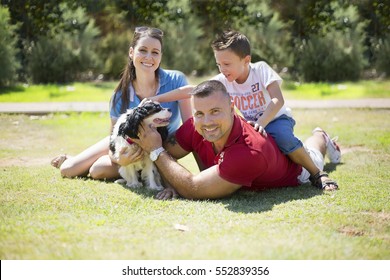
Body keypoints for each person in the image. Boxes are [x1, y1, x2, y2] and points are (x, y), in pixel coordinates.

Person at [132, 80, 339, 200]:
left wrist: (156, 151)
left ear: (232, 109)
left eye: (215, 111)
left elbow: (193, 188)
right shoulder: (195, 125)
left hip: (295, 171)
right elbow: (168, 154)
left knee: (313, 150)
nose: (207, 122)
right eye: (200, 113)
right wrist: (170, 183)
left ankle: (321, 135)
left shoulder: (249, 152)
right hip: (265, 155)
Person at [50, 26, 192, 180]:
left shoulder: (176, 80)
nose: (149, 57)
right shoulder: (120, 95)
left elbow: (191, 126)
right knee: (68, 169)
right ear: (131, 52)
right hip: (127, 144)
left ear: (160, 56)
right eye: (143, 50)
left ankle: (138, 173)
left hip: (161, 146)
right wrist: (119, 159)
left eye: (155, 52)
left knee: (98, 170)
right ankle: (74, 160)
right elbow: (113, 140)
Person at [210, 30, 341, 186]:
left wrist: (261, 122)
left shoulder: (260, 70)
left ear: (246, 60)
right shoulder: (223, 80)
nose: (222, 69)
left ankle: (317, 173)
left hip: (276, 118)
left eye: (226, 64)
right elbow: (199, 90)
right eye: (218, 65)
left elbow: (278, 100)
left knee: (282, 137)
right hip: (253, 125)